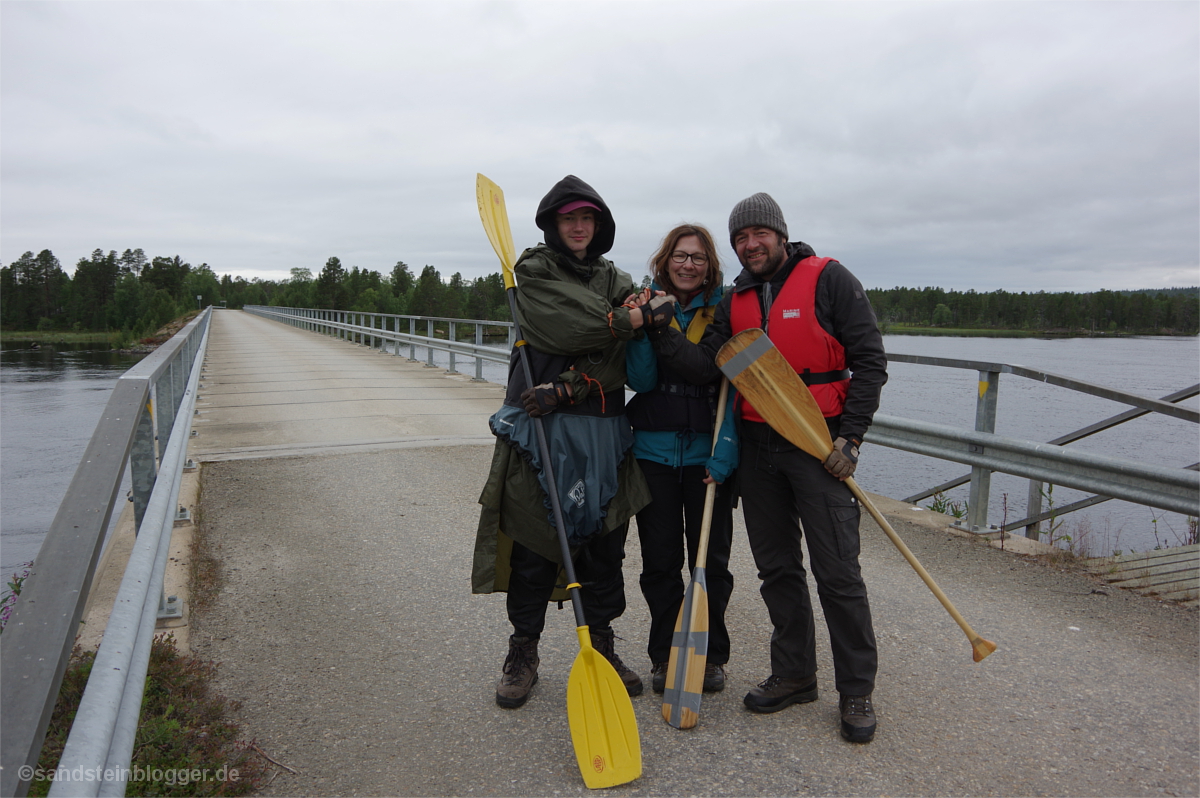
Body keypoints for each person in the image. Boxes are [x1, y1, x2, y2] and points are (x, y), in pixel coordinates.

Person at [640, 192, 888, 743]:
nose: (750, 245)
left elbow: (870, 360)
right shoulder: (737, 301)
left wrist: (850, 438)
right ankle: (795, 673)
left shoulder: (829, 278)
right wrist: (661, 330)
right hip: (757, 446)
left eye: (759, 234)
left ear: (779, 233)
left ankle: (856, 690)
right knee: (777, 568)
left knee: (838, 572)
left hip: (817, 444)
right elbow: (708, 368)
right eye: (740, 239)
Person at [471, 174, 674, 710]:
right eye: (569, 218)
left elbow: (620, 350)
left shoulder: (615, 276)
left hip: (605, 430)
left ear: (600, 225)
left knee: (606, 546)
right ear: (553, 224)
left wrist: (574, 383)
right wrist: (628, 319)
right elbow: (563, 327)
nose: (579, 227)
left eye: (587, 218)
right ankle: (524, 652)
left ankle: (603, 645)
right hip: (542, 431)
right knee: (538, 543)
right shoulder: (531, 274)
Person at [624, 224, 738, 695]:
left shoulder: (724, 313)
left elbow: (733, 385)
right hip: (653, 453)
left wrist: (727, 449)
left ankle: (709, 656)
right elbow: (642, 382)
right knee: (660, 563)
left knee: (709, 562)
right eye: (680, 256)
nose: (688, 265)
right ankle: (663, 654)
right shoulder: (645, 304)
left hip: (706, 457)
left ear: (709, 266)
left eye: (698, 258)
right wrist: (640, 329)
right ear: (664, 260)